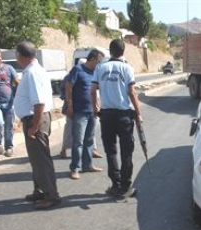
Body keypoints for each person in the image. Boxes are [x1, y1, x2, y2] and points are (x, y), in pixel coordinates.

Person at [91, 39, 142, 198]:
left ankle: (116, 184)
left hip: (106, 115)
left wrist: (95, 108)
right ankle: (126, 186)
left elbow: (92, 90)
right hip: (124, 115)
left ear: (110, 51)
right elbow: (132, 93)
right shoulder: (127, 68)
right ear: (123, 51)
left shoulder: (100, 67)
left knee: (110, 150)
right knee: (126, 152)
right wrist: (138, 113)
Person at [13, 41, 61, 210]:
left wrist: (34, 126)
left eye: (17, 54)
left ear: (23, 56)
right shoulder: (33, 71)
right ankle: (39, 190)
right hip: (33, 119)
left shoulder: (33, 73)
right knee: (36, 159)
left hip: (36, 120)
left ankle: (51, 195)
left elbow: (39, 103)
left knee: (41, 161)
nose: (16, 57)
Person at [65, 49, 104, 179]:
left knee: (89, 140)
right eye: (99, 62)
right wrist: (69, 105)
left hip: (92, 112)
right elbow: (68, 87)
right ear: (92, 59)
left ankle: (88, 165)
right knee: (78, 141)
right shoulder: (78, 69)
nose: (100, 65)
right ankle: (75, 168)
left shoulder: (95, 73)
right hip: (80, 111)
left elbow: (97, 90)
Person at [0, 48, 20, 157]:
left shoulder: (9, 68)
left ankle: (9, 147)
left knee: (9, 125)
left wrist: (20, 95)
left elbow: (17, 82)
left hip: (8, 102)